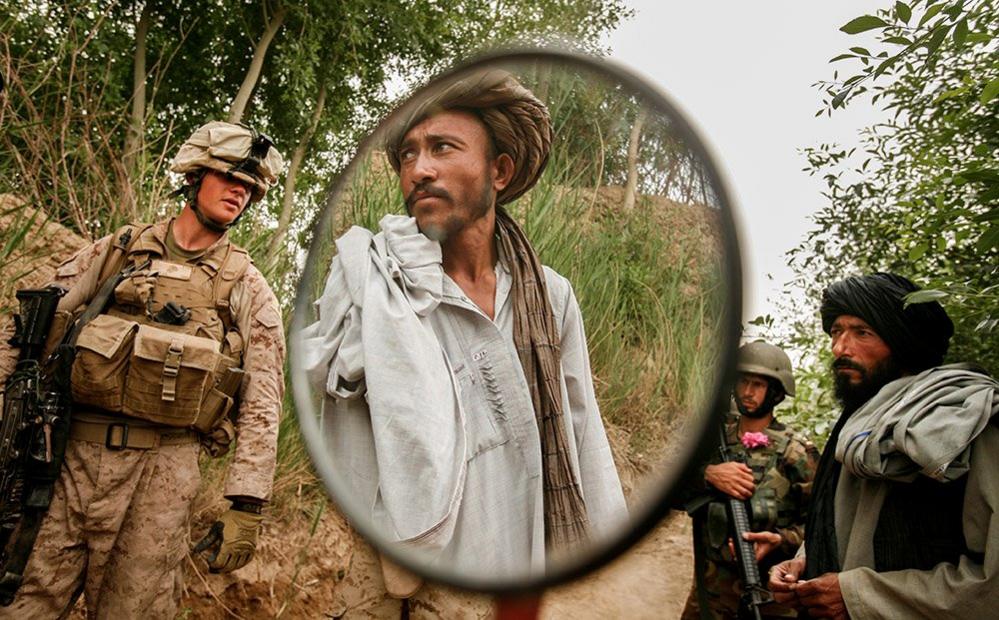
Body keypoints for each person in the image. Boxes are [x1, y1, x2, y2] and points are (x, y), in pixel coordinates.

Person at [299, 70, 627, 581]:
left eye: (442, 148)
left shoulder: (550, 295)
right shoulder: (376, 280)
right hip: (408, 569)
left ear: (499, 171)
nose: (419, 170)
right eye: (407, 154)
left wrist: (609, 560)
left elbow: (580, 424)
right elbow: (331, 383)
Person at [1, 121, 286, 617]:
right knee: (25, 604)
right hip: (70, 462)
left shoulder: (249, 286)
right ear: (196, 178)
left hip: (164, 477)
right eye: (230, 178)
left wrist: (247, 502)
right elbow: (28, 329)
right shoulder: (118, 250)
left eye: (250, 188)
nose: (240, 193)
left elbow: (263, 397)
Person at [768, 272, 999, 618]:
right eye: (836, 332)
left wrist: (859, 596)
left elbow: (990, 583)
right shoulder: (857, 424)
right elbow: (845, 521)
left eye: (862, 332)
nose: (840, 349)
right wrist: (805, 561)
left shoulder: (963, 419)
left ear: (903, 341)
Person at [680, 340, 818, 619]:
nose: (747, 392)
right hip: (711, 594)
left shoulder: (797, 452)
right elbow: (669, 491)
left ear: (776, 392)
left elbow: (820, 527)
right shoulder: (709, 439)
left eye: (758, 384)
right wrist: (707, 475)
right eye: (742, 381)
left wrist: (780, 539)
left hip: (772, 596)